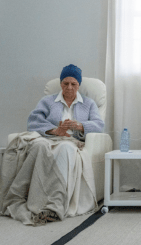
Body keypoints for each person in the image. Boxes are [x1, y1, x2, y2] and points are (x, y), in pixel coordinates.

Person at [0, 64, 104, 225]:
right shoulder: (47, 101)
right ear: (61, 84)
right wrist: (55, 131)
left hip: (71, 142)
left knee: (65, 149)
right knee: (38, 147)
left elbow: (99, 125)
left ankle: (54, 205)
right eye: (65, 83)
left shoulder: (89, 104)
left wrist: (80, 126)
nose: (69, 87)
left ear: (79, 85)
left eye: (73, 84)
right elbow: (33, 122)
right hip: (49, 139)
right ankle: (31, 199)